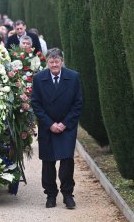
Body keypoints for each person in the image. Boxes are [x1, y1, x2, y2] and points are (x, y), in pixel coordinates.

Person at [31, 48, 82, 209]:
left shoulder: (73, 77)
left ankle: (68, 194)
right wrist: (50, 123)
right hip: (48, 127)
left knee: (67, 160)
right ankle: (51, 195)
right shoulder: (39, 78)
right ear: (47, 63)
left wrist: (64, 123)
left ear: (62, 62)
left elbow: (78, 103)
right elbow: (36, 104)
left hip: (67, 127)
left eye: (57, 61)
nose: (54, 65)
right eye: (51, 62)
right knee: (48, 161)